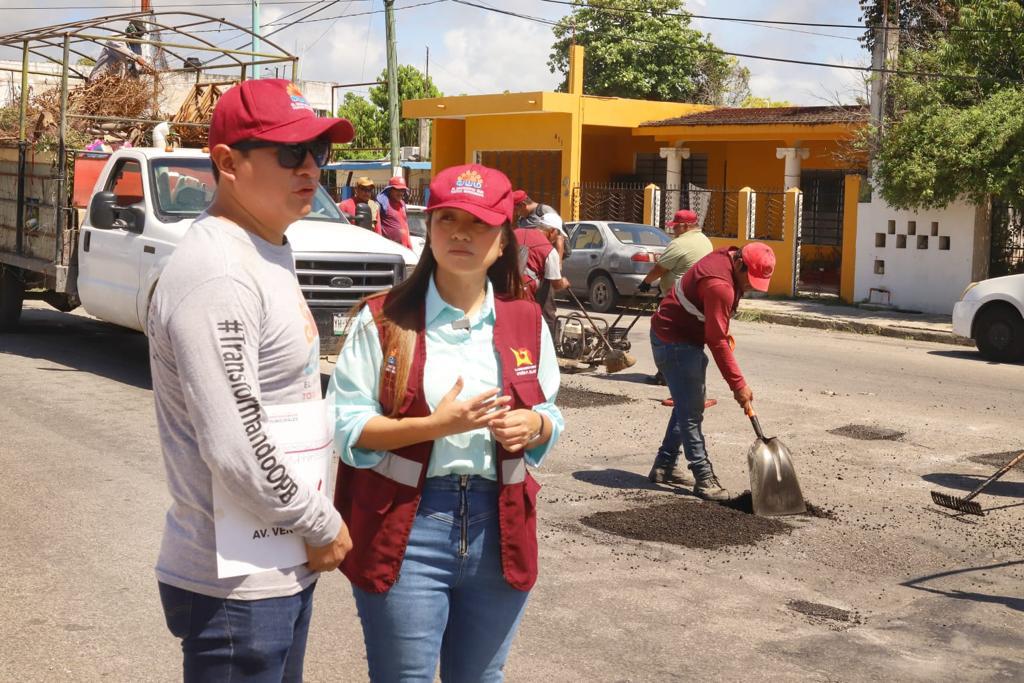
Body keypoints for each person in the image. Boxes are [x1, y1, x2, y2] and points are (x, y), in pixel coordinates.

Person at [148, 79, 354, 681]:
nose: (311, 167)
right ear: (226, 162)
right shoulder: (219, 274)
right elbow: (236, 443)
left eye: (319, 151)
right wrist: (321, 522)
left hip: (277, 559)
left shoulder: (264, 248)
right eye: (290, 153)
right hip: (238, 588)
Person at [328, 163, 564, 682]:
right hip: (408, 527)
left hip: (498, 524)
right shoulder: (382, 319)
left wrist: (535, 426)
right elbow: (348, 430)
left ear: (503, 241)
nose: (460, 232)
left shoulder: (526, 320)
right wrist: (436, 426)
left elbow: (550, 411)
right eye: (447, 219)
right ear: (427, 230)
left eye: (478, 223)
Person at [647, 242, 776, 499]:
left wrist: (719, 330)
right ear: (739, 263)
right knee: (691, 410)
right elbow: (716, 341)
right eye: (749, 279)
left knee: (687, 403)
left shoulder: (727, 259)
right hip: (674, 342)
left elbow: (715, 330)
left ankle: (664, 465)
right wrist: (738, 385)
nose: (750, 286)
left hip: (679, 336)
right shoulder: (720, 286)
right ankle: (703, 477)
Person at [638, 209, 713, 388]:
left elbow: (660, 268)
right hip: (696, 299)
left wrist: (647, 282)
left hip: (676, 298)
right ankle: (681, 374)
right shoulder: (705, 241)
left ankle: (666, 374)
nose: (673, 231)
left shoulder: (679, 244)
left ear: (686, 226)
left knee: (662, 333)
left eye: (676, 227)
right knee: (687, 337)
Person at [515, 211, 570, 337]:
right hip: (524, 294)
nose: (557, 238)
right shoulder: (549, 251)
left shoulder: (515, 232)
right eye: (558, 234)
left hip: (499, 288)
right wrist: (564, 282)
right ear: (552, 231)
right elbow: (556, 284)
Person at [377, 175, 412, 249]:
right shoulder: (383, 204)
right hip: (390, 249)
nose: (401, 193)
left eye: (402, 190)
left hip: (404, 248)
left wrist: (410, 245)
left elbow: (405, 226)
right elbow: (377, 226)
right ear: (390, 190)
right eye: (398, 190)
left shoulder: (402, 204)